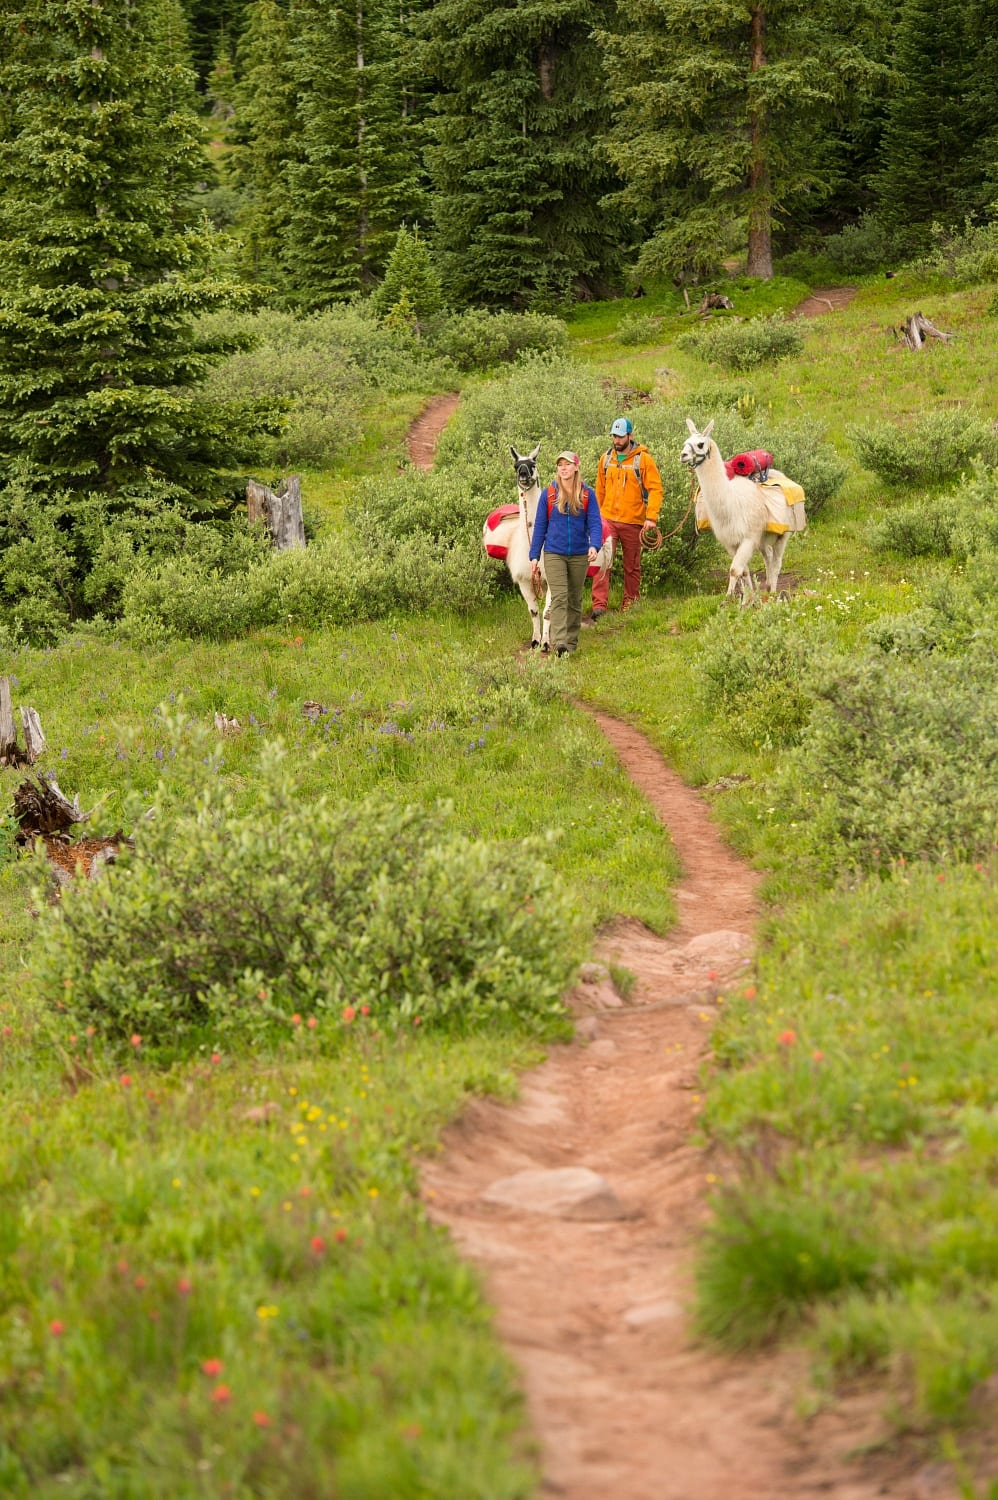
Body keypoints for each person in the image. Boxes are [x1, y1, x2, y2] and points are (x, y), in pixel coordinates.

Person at [529, 451, 602, 657]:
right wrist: (534, 555)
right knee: (559, 597)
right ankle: (559, 643)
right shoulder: (549, 493)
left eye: (567, 464)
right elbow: (540, 526)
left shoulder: (587, 494)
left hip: (579, 554)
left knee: (575, 598)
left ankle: (571, 643)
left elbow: (595, 523)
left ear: (576, 467)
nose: (563, 468)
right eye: (560, 464)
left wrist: (594, 545)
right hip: (554, 553)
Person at [590, 416, 663, 618]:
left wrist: (651, 518)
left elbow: (655, 489)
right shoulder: (605, 460)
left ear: (630, 435)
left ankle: (630, 602)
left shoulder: (644, 460)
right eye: (614, 436)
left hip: (633, 521)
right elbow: (599, 491)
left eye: (621, 437)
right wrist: (595, 518)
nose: (617, 440)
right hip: (607, 520)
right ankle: (599, 606)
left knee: (632, 566)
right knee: (603, 562)